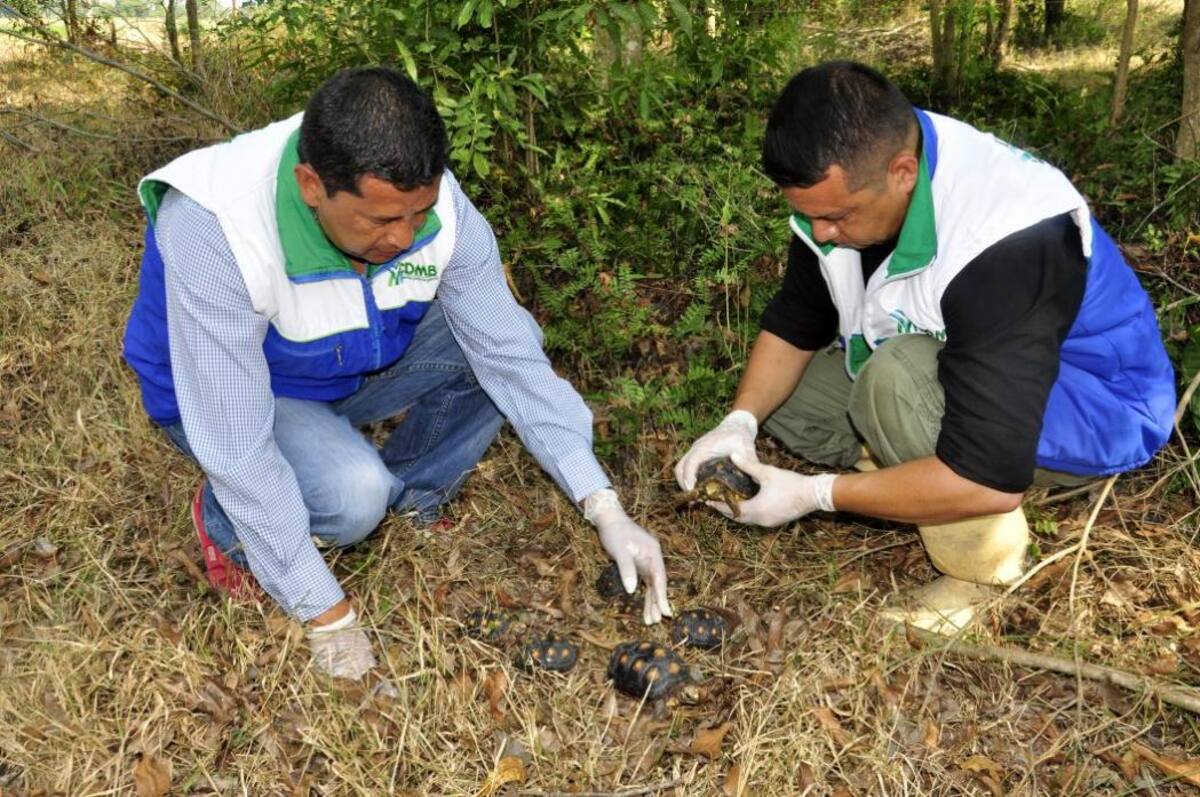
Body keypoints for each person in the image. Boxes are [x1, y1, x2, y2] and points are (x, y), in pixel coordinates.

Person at [123, 66, 672, 680]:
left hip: (350, 363)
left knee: (492, 341)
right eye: (381, 221)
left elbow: (511, 357)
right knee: (354, 495)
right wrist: (326, 616)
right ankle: (227, 524)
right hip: (231, 394)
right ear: (311, 185)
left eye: (419, 213)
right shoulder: (215, 224)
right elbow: (237, 442)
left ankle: (411, 497)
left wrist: (605, 507)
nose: (406, 236)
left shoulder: (424, 197)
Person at [675, 62, 1176, 634]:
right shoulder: (860, 176)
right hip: (973, 368)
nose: (821, 233)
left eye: (836, 216)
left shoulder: (1005, 235)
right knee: (791, 394)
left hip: (1093, 407)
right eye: (809, 216)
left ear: (903, 172)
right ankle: (904, 466)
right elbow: (796, 322)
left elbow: (986, 473)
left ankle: (983, 574)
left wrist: (818, 495)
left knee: (897, 382)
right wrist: (737, 423)